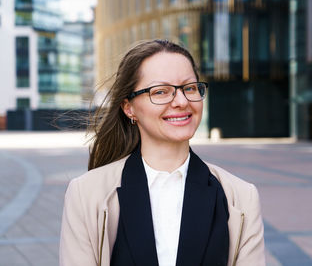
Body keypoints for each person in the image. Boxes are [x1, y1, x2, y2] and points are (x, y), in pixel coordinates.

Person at [59, 39, 265, 266]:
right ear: (129, 108)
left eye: (189, 88)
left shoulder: (241, 197)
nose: (181, 101)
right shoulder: (86, 194)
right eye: (161, 91)